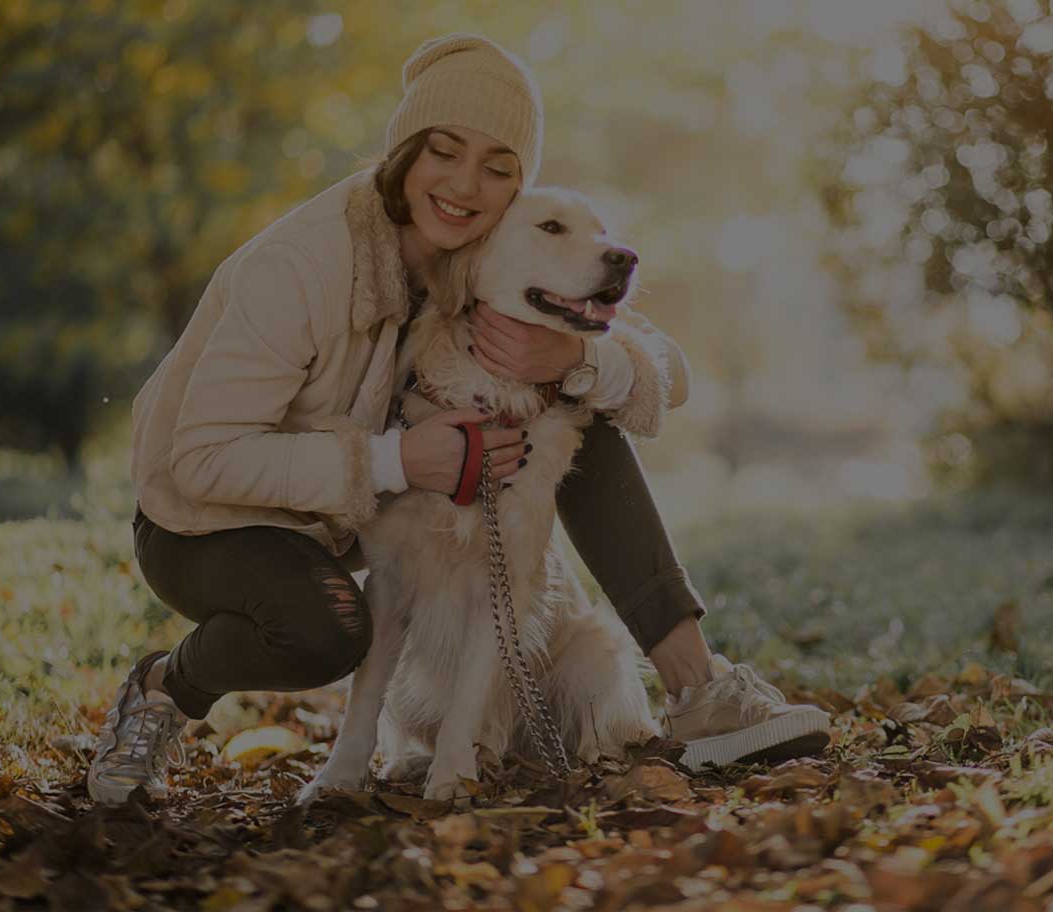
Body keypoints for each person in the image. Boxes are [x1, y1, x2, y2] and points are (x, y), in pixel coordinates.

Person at [87, 33, 829, 804]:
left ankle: (698, 689)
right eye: (443, 151)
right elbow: (201, 459)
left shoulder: (484, 251)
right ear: (404, 151)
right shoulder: (302, 265)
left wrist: (573, 361)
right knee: (327, 630)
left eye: (498, 168)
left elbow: (666, 372)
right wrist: (399, 461)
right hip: (204, 521)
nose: (466, 184)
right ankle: (167, 686)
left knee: (579, 403)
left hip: (335, 514)